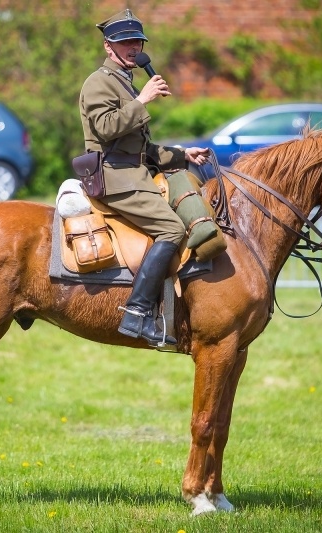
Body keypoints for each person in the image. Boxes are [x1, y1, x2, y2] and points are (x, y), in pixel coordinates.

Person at [79, 9, 210, 346]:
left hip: (132, 173)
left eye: (137, 41)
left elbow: (140, 149)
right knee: (172, 228)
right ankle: (136, 313)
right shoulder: (98, 82)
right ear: (108, 46)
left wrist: (183, 154)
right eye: (125, 42)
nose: (133, 47)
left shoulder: (124, 81)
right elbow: (105, 129)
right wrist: (142, 100)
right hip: (113, 178)